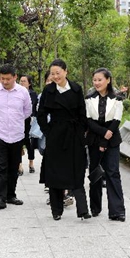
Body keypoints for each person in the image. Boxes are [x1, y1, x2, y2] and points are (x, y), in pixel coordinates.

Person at [37, 59, 90, 221]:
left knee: (77, 171)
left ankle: (83, 209)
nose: (55, 76)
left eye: (58, 73)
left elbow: (82, 113)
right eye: (52, 74)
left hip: (74, 136)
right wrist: (48, 131)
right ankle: (56, 210)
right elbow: (41, 114)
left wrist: (80, 133)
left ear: (66, 72)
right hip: (56, 136)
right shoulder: (48, 90)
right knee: (55, 173)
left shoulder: (76, 89)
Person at [0, 64, 32, 209]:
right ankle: (0, 197)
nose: (5, 82)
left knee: (13, 166)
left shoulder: (23, 92)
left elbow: (27, 111)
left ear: (15, 77)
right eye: (2, 79)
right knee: (0, 166)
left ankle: (11, 195)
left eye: (8, 79)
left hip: (17, 135)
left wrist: (15, 121)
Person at [85, 68, 126, 222]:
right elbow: (88, 120)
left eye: (100, 80)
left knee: (113, 173)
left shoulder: (117, 98)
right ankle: (95, 207)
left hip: (112, 139)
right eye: (94, 80)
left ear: (108, 80)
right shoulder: (89, 98)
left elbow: (116, 120)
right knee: (95, 173)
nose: (97, 83)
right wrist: (104, 133)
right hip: (94, 138)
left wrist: (108, 135)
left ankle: (117, 211)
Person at [19, 74, 39, 175]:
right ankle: (19, 165)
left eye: (24, 81)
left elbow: (34, 107)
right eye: (21, 81)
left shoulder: (33, 94)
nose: (22, 83)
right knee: (18, 143)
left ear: (29, 83)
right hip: (18, 121)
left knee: (29, 143)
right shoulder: (16, 93)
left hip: (29, 121)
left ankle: (31, 163)